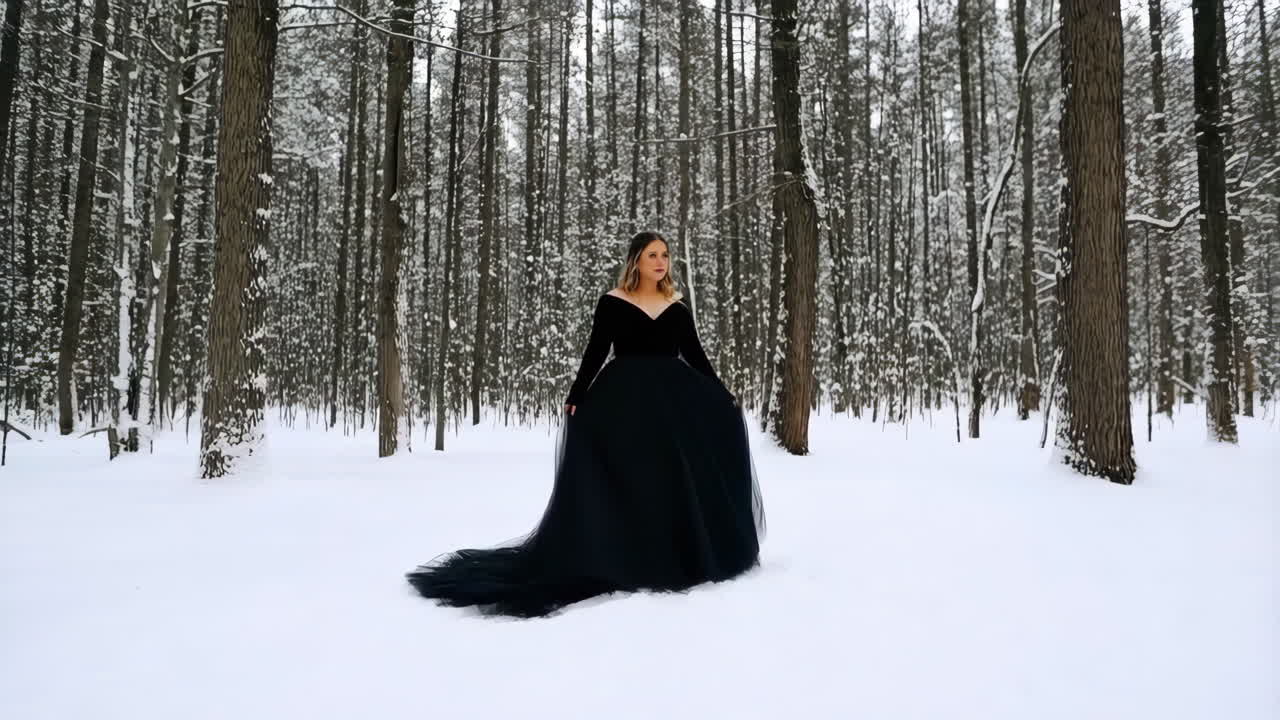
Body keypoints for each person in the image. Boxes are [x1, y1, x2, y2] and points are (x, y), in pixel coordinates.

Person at [405, 231, 766, 618]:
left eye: (664, 255)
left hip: (672, 408)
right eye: (652, 255)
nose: (661, 262)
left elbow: (695, 355)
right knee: (633, 479)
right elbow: (597, 349)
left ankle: (674, 555)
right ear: (636, 261)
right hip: (625, 404)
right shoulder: (613, 302)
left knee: (668, 480)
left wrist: (722, 394)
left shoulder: (677, 306)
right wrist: (577, 393)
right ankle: (624, 553)